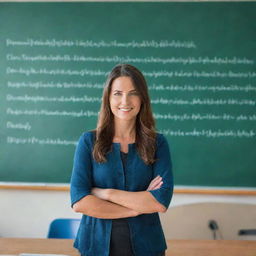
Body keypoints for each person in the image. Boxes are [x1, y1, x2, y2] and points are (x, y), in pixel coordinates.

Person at [70, 64, 173, 256]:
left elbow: (159, 202)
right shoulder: (89, 141)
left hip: (147, 248)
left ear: (142, 98)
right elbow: (80, 202)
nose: (125, 100)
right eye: (117, 93)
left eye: (133, 93)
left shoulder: (158, 143)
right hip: (95, 247)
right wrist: (135, 209)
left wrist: (106, 193)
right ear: (108, 98)